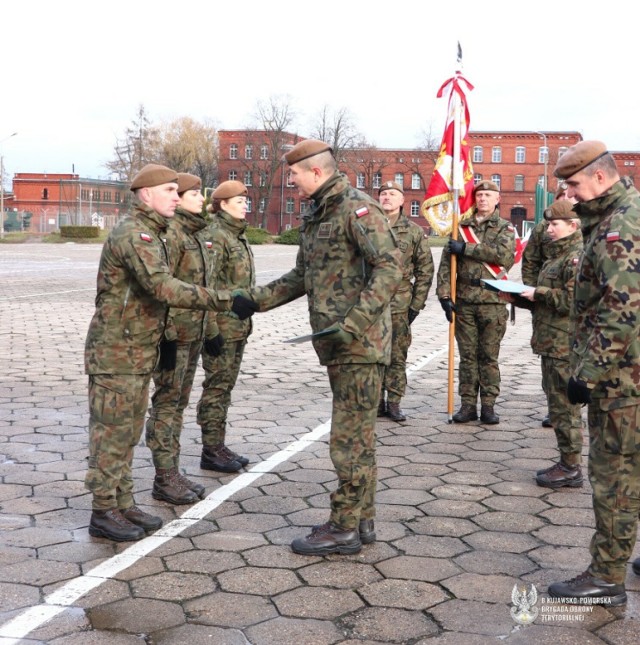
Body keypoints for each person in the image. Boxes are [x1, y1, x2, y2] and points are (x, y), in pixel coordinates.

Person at [84, 164, 258, 542]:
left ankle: (122, 501)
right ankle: (103, 509)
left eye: (179, 192)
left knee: (127, 430)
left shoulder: (156, 233)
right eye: (169, 191)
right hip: (116, 350)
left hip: (135, 348)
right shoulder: (136, 233)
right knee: (111, 432)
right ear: (146, 194)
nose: (176, 198)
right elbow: (163, 287)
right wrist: (227, 300)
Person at [248, 139, 402, 556]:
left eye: (294, 174)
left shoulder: (356, 208)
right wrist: (254, 301)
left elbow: (390, 268)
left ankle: (343, 527)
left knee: (348, 439)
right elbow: (302, 275)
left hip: (358, 343)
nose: (291, 181)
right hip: (338, 344)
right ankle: (362, 519)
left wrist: (352, 324)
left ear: (316, 171)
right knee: (360, 438)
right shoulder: (319, 213)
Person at [547, 141, 640, 606]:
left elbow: (621, 312)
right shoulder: (623, 213)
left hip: (621, 379)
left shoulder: (619, 227)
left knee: (615, 477)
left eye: (575, 184)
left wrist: (586, 374)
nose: (571, 194)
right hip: (629, 373)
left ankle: (606, 575)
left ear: (600, 178)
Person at [145, 173, 210, 506]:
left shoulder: (191, 231)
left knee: (178, 404)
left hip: (191, 332)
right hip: (173, 335)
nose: (201, 198)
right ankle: (163, 476)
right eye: (193, 193)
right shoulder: (172, 233)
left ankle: (172, 469)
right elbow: (164, 286)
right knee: (167, 403)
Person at [516, 200, 584, 488]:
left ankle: (571, 466)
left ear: (573, 225)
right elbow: (546, 301)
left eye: (555, 224)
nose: (549, 230)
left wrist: (538, 292)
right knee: (556, 405)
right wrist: (521, 298)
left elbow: (571, 302)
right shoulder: (556, 257)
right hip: (550, 341)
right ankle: (567, 462)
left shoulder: (576, 258)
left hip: (563, 345)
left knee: (565, 406)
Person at [436, 180, 516, 424]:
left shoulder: (505, 228)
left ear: (497, 199)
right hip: (465, 302)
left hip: (493, 301)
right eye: (479, 195)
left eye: (488, 195)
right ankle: (468, 405)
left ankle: (489, 406)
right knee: (468, 357)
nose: (482, 199)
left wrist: (467, 249)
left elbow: (504, 257)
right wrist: (444, 296)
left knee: (488, 356)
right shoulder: (459, 228)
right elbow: (446, 266)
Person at [197, 180, 255, 473]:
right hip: (220, 326)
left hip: (238, 326)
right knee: (216, 387)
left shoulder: (236, 235)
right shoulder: (216, 236)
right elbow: (205, 285)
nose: (245, 205)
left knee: (225, 387)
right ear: (222, 204)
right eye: (238, 201)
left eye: (245, 201)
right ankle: (210, 450)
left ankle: (218, 443)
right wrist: (210, 329)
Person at [376, 180, 434, 422]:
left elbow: (425, 270)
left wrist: (415, 305)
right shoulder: (367, 226)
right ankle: (375, 402)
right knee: (372, 355)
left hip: (400, 304)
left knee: (397, 356)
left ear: (402, 201)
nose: (387, 197)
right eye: (383, 193)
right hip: (370, 305)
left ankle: (395, 402)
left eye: (392, 194)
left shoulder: (412, 231)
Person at [522, 182, 572, 428]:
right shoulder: (548, 237)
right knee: (551, 378)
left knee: (565, 383)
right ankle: (556, 413)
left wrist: (538, 292)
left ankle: (570, 456)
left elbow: (572, 298)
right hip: (545, 317)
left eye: (571, 196)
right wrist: (529, 293)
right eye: (562, 196)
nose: (567, 200)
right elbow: (530, 261)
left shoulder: (580, 243)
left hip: (566, 327)